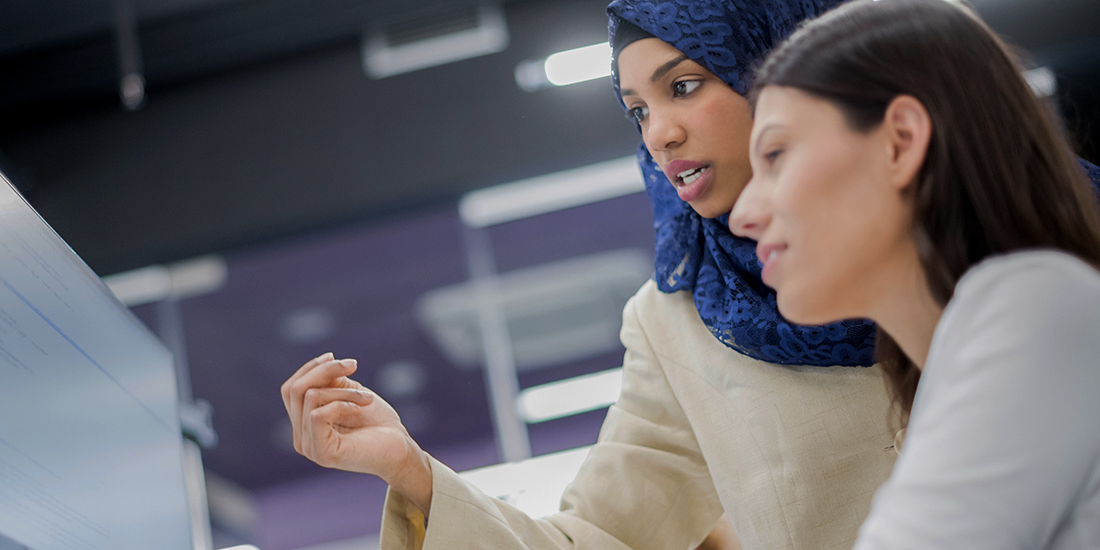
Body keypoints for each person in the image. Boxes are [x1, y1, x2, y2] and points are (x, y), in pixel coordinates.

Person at [281, 1, 904, 548]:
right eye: (636, 111)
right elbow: (600, 541)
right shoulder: (678, 325)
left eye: (684, 86)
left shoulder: (953, 227)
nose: (660, 134)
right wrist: (410, 468)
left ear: (780, 71)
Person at [729, 1, 1100, 548]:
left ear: (901, 140)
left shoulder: (1035, 304)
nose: (743, 214)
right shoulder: (954, 369)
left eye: (777, 154)